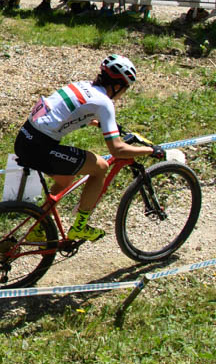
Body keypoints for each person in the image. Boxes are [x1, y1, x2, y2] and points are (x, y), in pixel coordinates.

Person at [12, 54, 154, 243]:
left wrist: (99, 124)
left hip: (24, 138)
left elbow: (67, 113)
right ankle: (80, 227)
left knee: (66, 179)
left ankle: (39, 227)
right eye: (125, 89)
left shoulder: (82, 86)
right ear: (118, 85)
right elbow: (117, 150)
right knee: (101, 167)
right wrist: (152, 150)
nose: (123, 94)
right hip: (40, 147)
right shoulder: (104, 102)